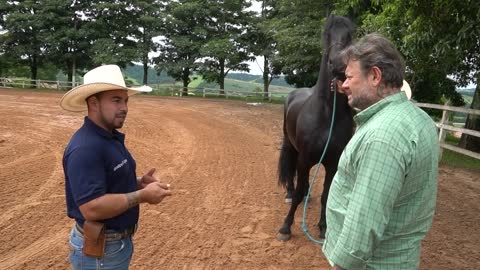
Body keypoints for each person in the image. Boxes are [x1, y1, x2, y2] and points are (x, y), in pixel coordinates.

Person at [322, 33, 439, 270]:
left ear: (375, 76)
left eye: (349, 77)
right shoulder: (420, 119)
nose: (344, 85)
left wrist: (340, 266)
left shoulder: (382, 136)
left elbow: (364, 225)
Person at [61, 64, 172, 269]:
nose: (125, 107)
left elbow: (107, 181)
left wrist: (137, 183)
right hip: (102, 253)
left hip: (112, 247)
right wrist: (143, 196)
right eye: (116, 100)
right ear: (94, 103)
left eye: (126, 100)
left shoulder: (108, 137)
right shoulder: (86, 147)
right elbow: (92, 208)